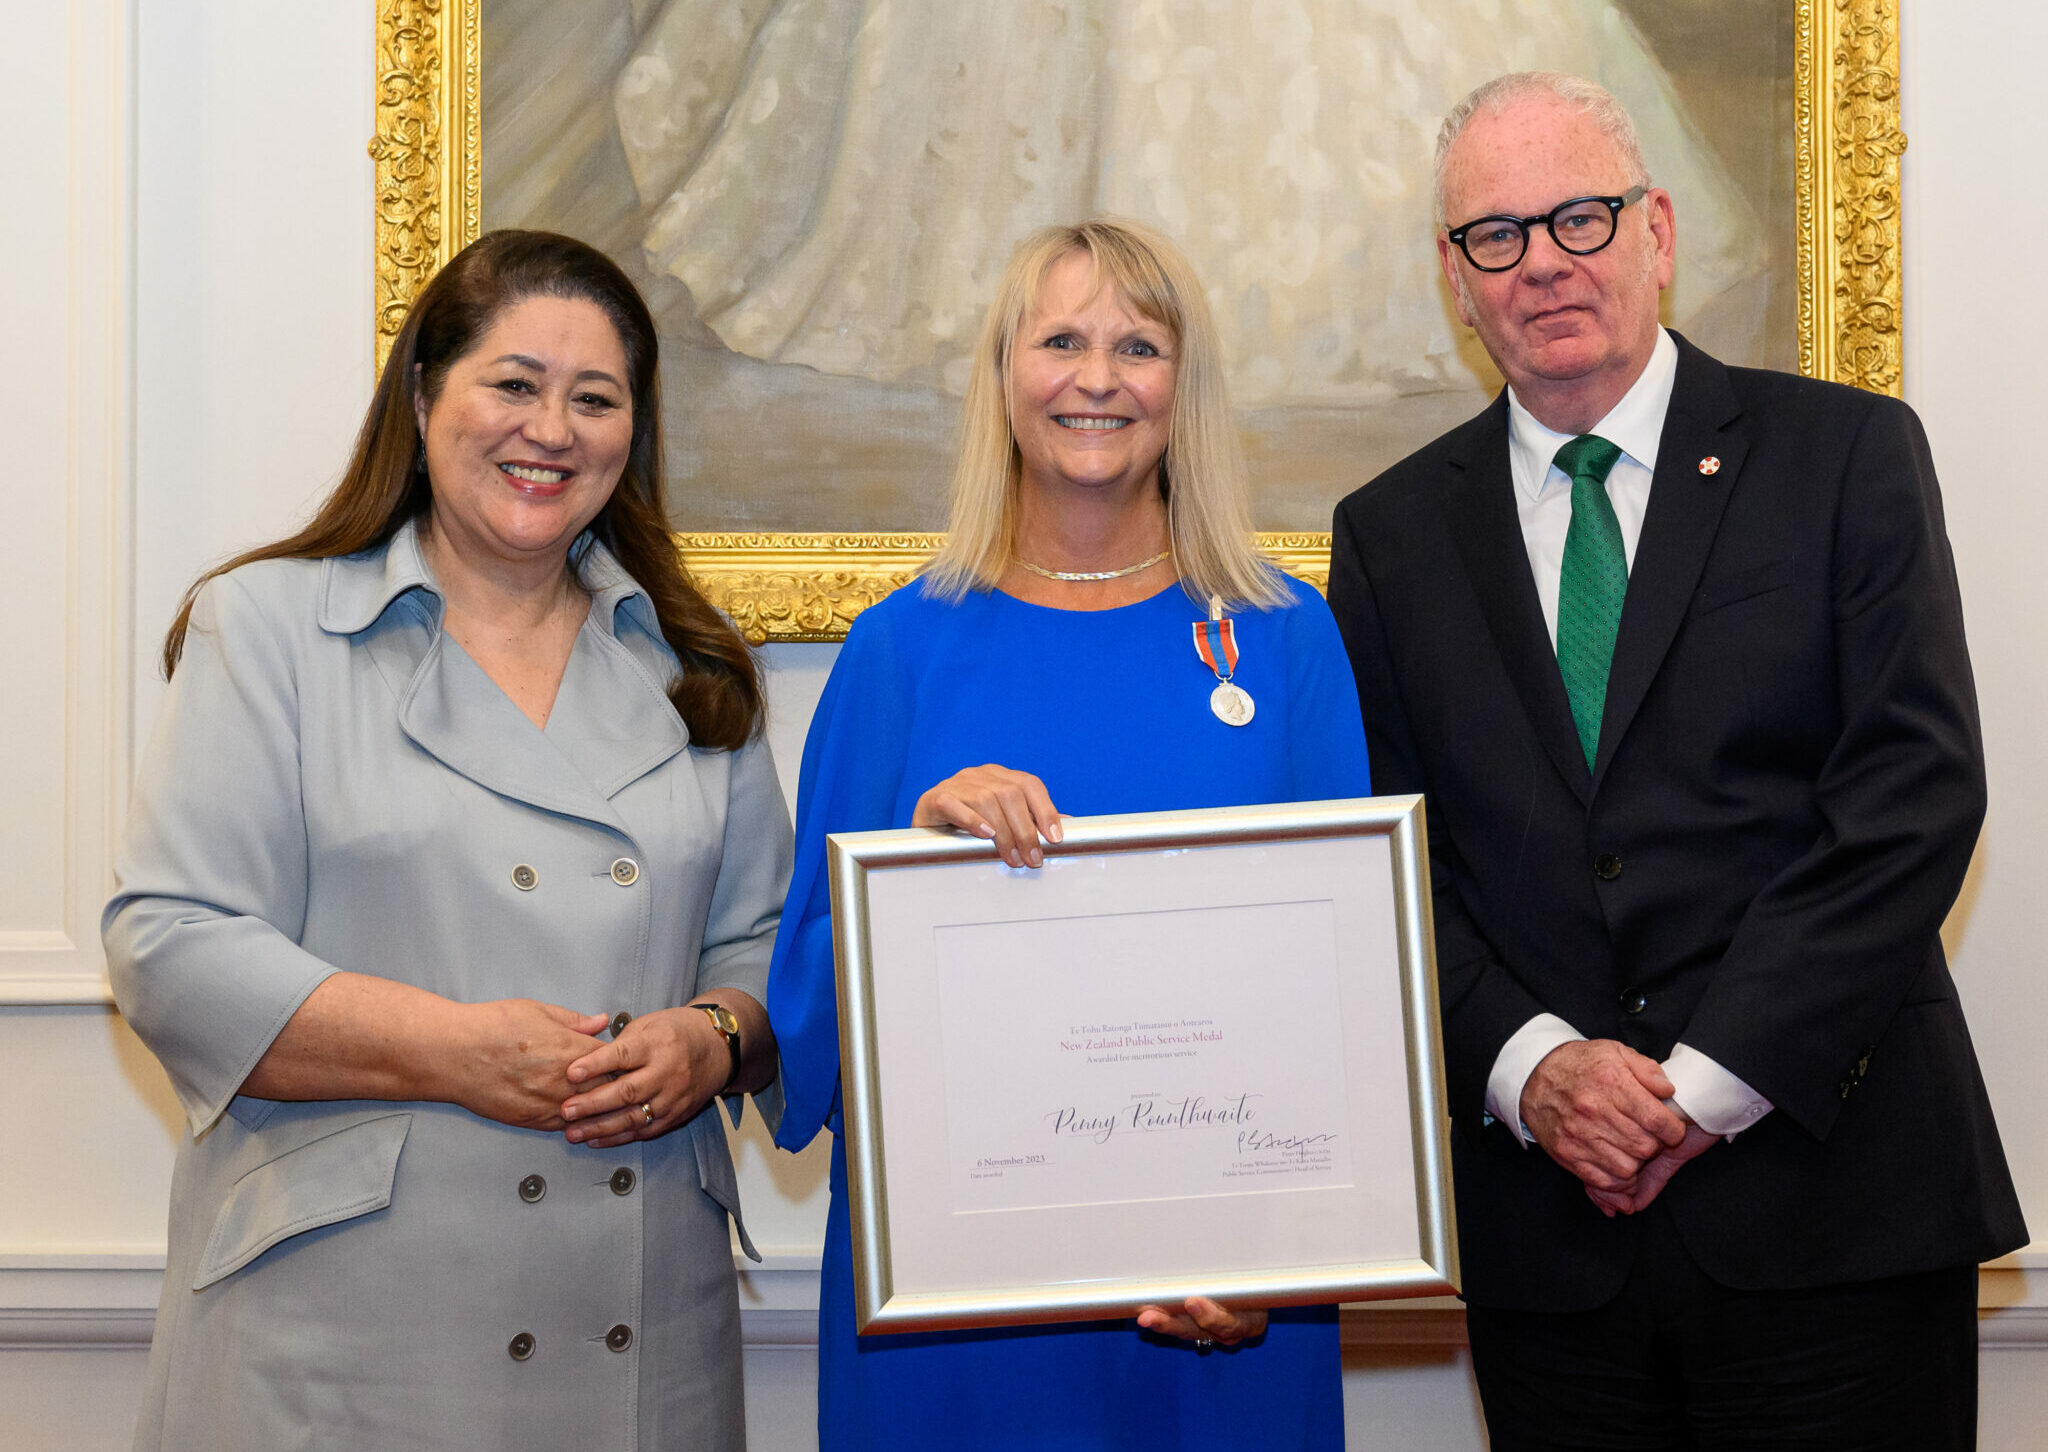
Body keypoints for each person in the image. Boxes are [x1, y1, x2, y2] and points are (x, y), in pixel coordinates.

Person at [1326, 72, 2026, 1450]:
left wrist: (1699, 1088)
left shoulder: (1845, 455)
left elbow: (1911, 796)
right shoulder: (1391, 534)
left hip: (1838, 1209)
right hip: (1550, 1249)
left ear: (1656, 231)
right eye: (1495, 236)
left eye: (1578, 219)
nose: (1541, 264)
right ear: (1457, 283)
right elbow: (1394, 857)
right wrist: (1532, 1069)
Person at [104, 230, 791, 1450]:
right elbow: (171, 944)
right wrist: (455, 1051)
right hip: (343, 1337)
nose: (553, 428)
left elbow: (764, 946)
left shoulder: (689, 662)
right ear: (424, 397)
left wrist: (714, 1038)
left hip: (636, 1324)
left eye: (596, 398)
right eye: (513, 384)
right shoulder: (267, 628)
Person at [765, 218, 1369, 1449]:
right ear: (1001, 376)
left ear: (1180, 389)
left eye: (1137, 345)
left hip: (1226, 1304)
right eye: (1059, 340)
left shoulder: (1286, 636)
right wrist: (913, 873)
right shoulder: (897, 650)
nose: (1096, 377)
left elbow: (1348, 987)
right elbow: (801, 1021)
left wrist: (1287, 1250)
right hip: (959, 1326)